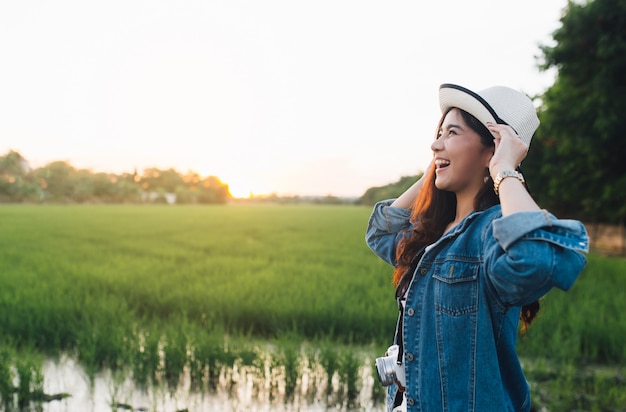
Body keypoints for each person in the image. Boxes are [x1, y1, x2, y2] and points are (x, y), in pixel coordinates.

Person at [365, 83, 589, 412]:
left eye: (451, 133)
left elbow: (535, 258)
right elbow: (382, 232)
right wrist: (437, 163)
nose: (434, 143)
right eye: (438, 133)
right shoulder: (433, 232)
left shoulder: (490, 231)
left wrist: (504, 169)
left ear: (492, 149)